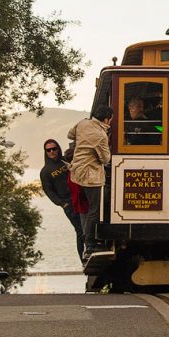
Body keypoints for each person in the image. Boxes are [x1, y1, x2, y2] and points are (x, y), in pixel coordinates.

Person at [68, 105, 113, 261]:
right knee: (94, 210)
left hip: (76, 172)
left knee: (84, 209)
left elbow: (70, 134)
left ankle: (88, 242)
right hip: (90, 175)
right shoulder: (101, 135)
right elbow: (105, 159)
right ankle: (90, 244)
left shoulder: (82, 123)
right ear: (107, 119)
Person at [40, 139, 85, 260]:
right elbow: (48, 190)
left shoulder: (66, 160)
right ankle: (83, 258)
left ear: (58, 148)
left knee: (88, 226)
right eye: (48, 150)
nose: (52, 152)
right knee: (80, 230)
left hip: (81, 198)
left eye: (54, 148)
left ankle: (91, 249)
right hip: (68, 204)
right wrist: (62, 203)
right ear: (46, 152)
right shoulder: (45, 172)